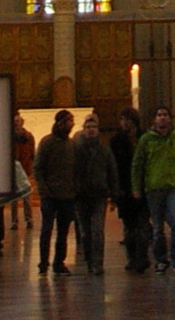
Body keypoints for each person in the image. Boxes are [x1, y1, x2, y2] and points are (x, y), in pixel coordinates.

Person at [131, 104, 175, 274]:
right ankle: (161, 260)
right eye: (159, 115)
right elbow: (138, 164)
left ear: (170, 119)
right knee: (157, 228)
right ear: (154, 119)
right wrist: (136, 187)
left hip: (173, 185)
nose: (162, 117)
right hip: (154, 187)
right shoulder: (146, 139)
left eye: (165, 114)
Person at [72, 113, 118, 275]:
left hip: (99, 195)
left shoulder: (104, 150)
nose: (91, 130)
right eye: (88, 127)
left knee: (97, 230)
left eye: (93, 127)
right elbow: (72, 172)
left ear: (98, 130)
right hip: (81, 196)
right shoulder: (76, 150)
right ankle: (89, 259)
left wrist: (114, 195)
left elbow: (112, 172)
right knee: (85, 233)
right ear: (84, 130)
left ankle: (98, 262)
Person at [32, 108, 77, 274]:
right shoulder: (47, 142)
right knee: (47, 229)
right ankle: (43, 262)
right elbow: (38, 167)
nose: (71, 124)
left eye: (72, 121)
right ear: (60, 123)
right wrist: (43, 189)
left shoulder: (71, 144)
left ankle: (59, 262)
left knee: (63, 232)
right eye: (69, 121)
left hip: (67, 195)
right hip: (50, 195)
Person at [111, 107, 150, 272]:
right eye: (122, 120)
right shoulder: (116, 141)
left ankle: (142, 257)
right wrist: (116, 188)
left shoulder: (145, 137)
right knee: (129, 226)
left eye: (126, 119)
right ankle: (132, 258)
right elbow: (114, 166)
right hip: (125, 188)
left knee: (142, 224)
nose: (123, 123)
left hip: (143, 186)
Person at [11, 111, 36, 229]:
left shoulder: (28, 137)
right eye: (15, 121)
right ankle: (14, 221)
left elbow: (32, 153)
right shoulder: (9, 136)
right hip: (13, 169)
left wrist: (31, 166)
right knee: (13, 197)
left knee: (26, 196)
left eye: (18, 121)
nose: (16, 123)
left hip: (25, 169)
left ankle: (29, 219)